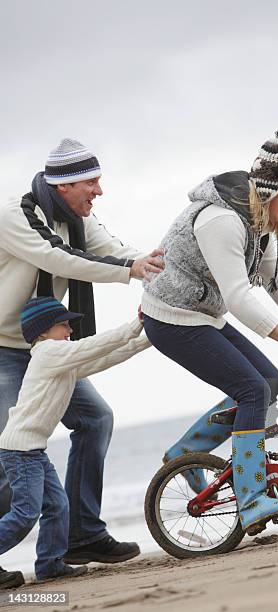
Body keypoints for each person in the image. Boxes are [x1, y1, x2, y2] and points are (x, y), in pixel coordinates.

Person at [142, 127, 278, 536]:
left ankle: (188, 452)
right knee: (253, 390)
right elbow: (239, 298)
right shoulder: (221, 219)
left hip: (201, 315)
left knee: (270, 382)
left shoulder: (258, 222)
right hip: (172, 319)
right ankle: (253, 497)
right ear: (274, 188)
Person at [0, 139, 164, 564]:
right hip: (3, 349)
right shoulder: (15, 217)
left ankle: (82, 535)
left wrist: (155, 265)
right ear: (65, 185)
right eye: (91, 182)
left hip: (47, 348)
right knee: (10, 456)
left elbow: (118, 250)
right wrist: (131, 271)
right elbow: (60, 259)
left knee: (95, 420)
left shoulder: (78, 219)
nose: (99, 191)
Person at [0, 297, 150, 587]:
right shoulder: (47, 353)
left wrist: (148, 340)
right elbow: (92, 346)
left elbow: (103, 358)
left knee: (57, 505)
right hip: (19, 451)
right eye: (64, 324)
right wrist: (137, 324)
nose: (70, 330)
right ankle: (48, 562)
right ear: (43, 331)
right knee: (24, 514)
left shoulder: (61, 361)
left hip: (32, 450)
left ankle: (50, 564)